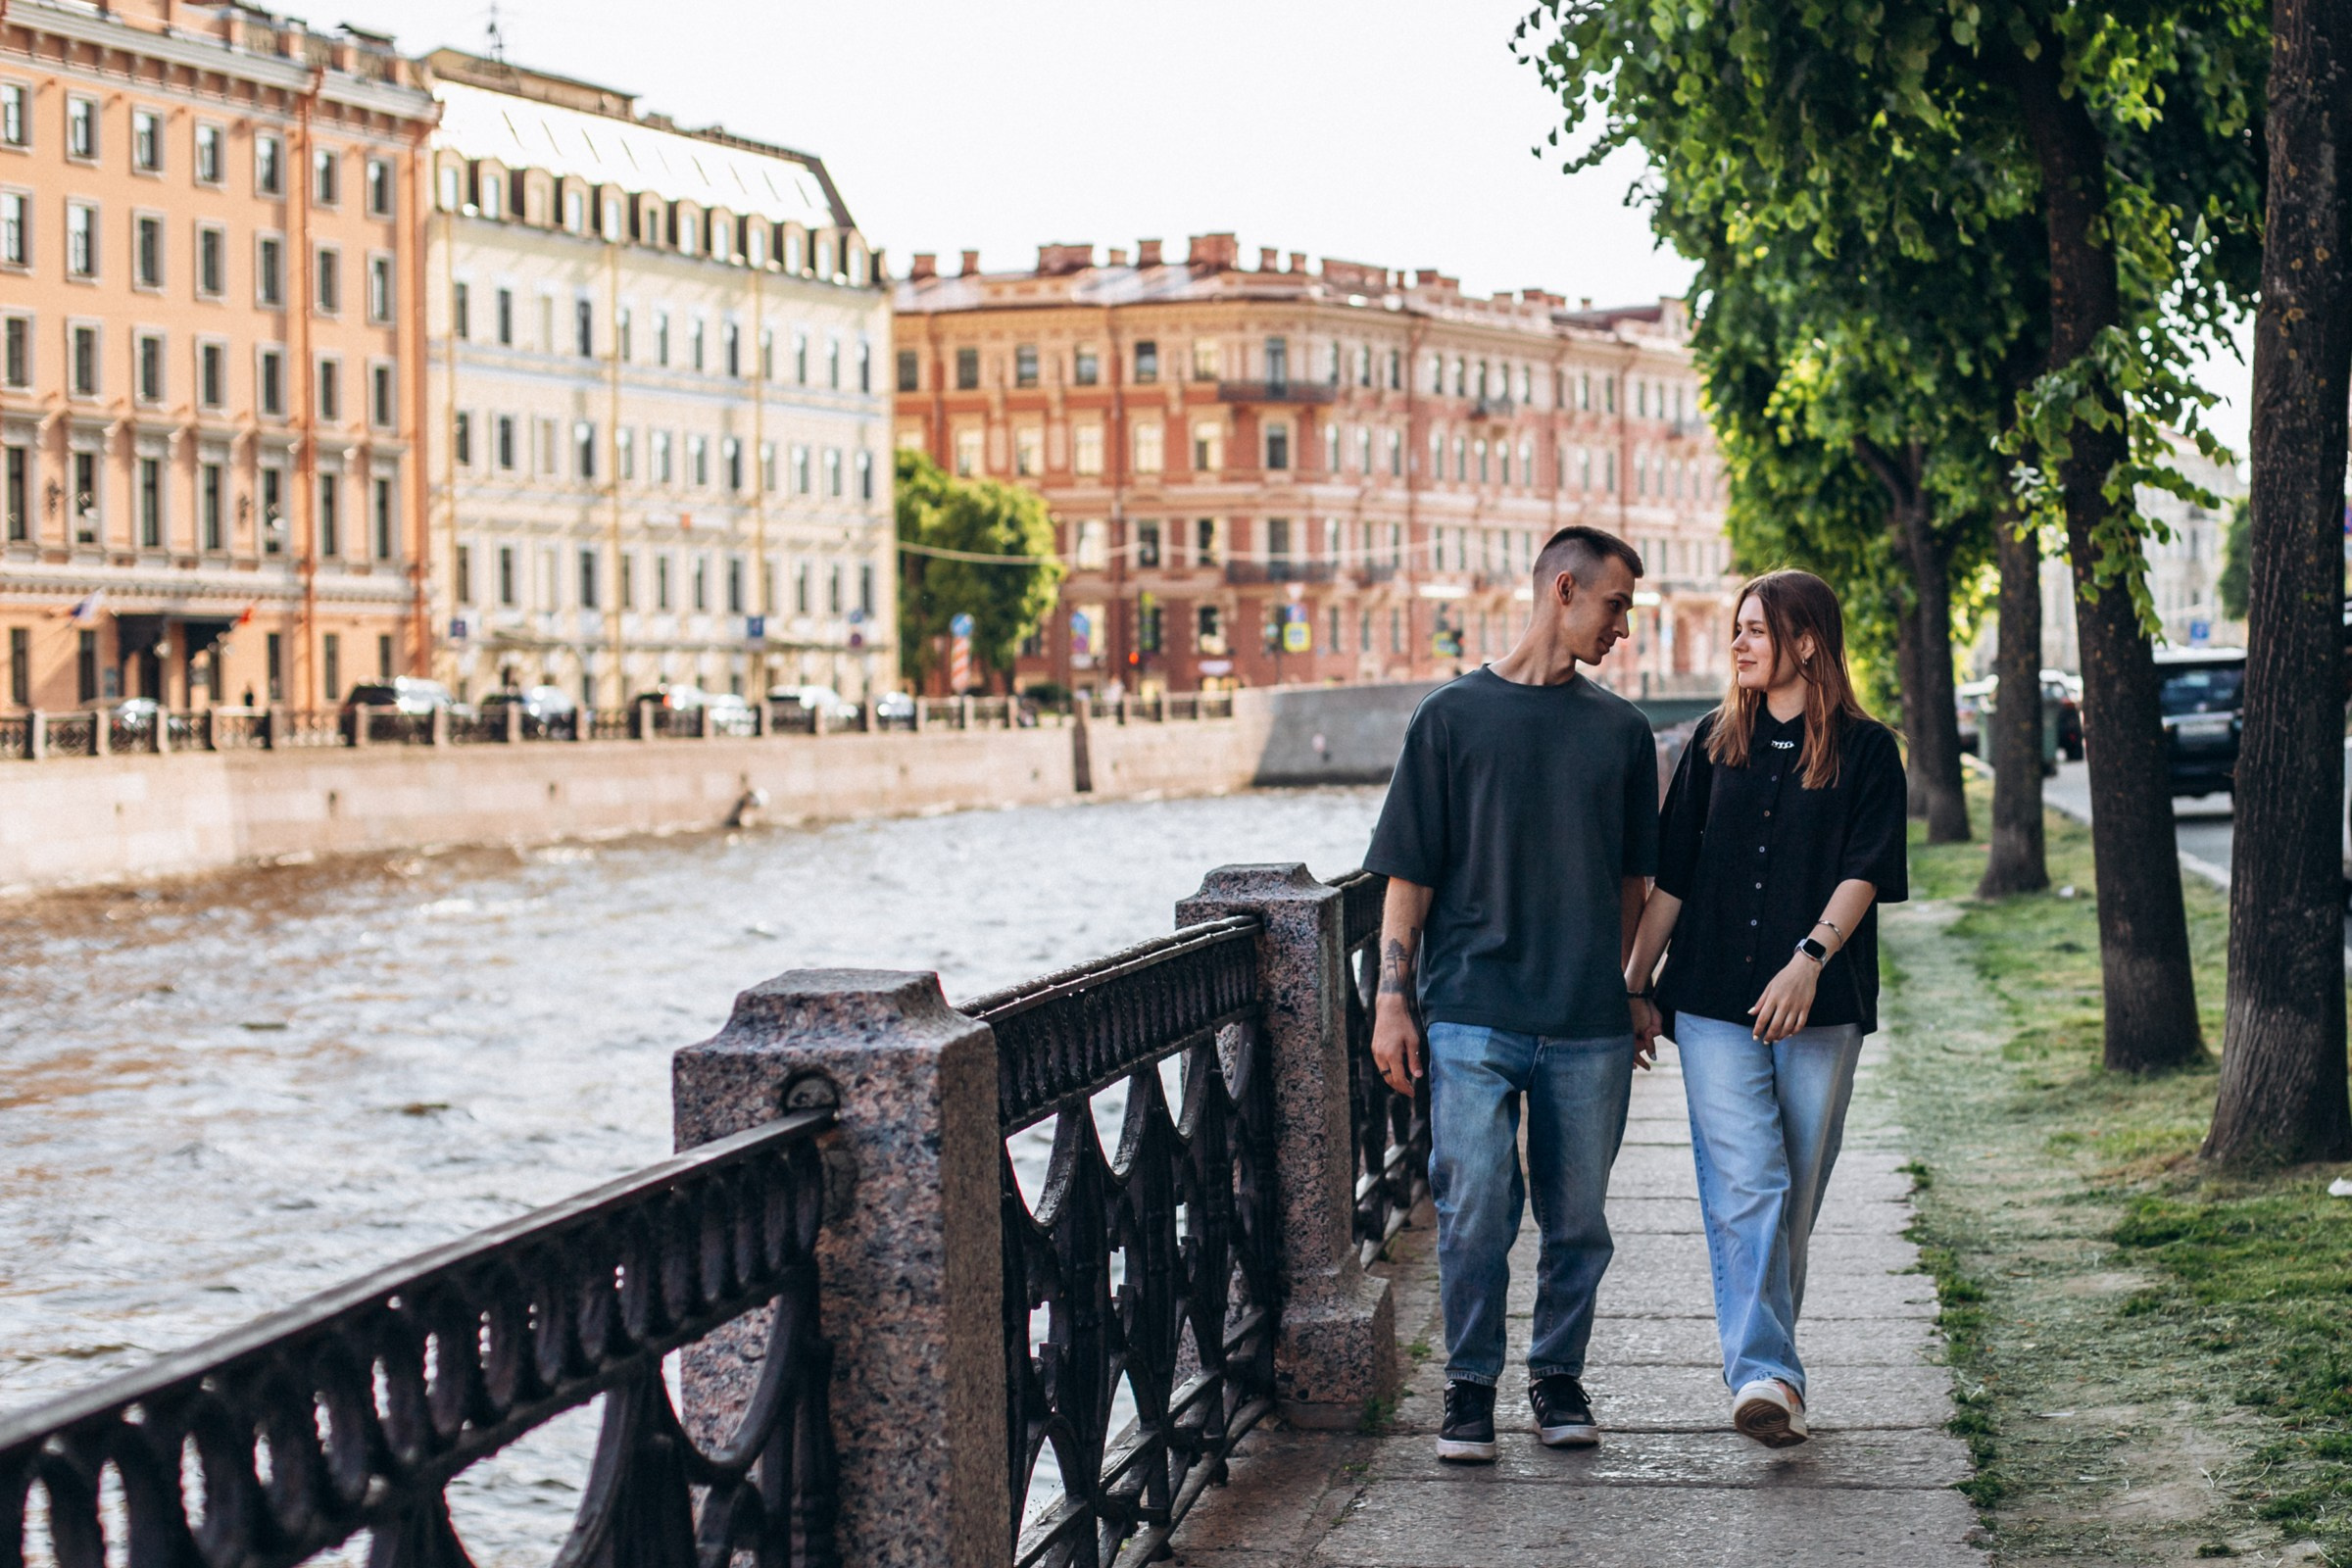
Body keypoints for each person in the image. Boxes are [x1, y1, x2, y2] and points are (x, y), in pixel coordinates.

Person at [1364, 524, 1657, 1463]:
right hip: (1471, 1013)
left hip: (1585, 1020)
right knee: (1475, 1201)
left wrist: (1631, 990)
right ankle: (1469, 1387)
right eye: (1615, 606)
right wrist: (1391, 1000)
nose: (1622, 628)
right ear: (1563, 589)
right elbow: (1407, 875)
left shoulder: (1621, 732)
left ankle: (1556, 1375)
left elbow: (1632, 888)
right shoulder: (1448, 717)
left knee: (1578, 1220)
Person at [1622, 568, 1907, 1448]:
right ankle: (1765, 1376)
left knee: (1795, 1192)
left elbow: (1867, 867)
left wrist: (1808, 961)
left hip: (1820, 1004)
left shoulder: (1866, 750)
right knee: (1749, 1181)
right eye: (1736, 629)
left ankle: (1768, 1366)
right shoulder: (1712, 742)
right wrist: (1634, 984)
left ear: (1807, 641)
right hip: (1708, 998)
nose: (1739, 643)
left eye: (1756, 629)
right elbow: (1674, 878)